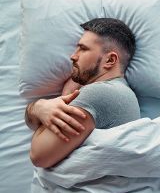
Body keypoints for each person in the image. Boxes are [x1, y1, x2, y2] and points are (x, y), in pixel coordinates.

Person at [25, 18, 141, 168]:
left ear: (110, 60)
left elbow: (38, 156)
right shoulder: (121, 92)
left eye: (83, 49)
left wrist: (40, 105)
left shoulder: (101, 94)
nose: (73, 56)